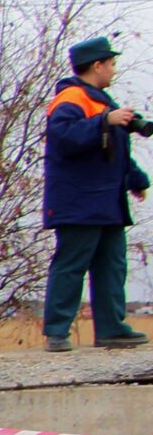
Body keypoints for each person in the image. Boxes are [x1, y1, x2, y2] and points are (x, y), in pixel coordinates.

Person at [40, 34, 149, 352]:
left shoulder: (100, 100)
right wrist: (105, 120)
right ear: (97, 65)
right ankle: (57, 332)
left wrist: (136, 179)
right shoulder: (72, 98)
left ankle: (111, 329)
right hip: (78, 201)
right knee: (71, 263)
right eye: (112, 64)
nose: (114, 70)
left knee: (112, 264)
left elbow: (112, 154)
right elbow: (63, 137)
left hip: (106, 201)